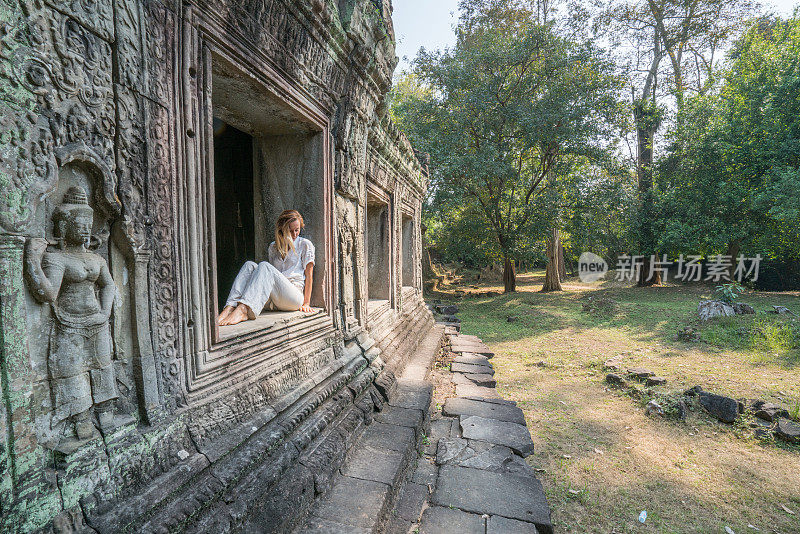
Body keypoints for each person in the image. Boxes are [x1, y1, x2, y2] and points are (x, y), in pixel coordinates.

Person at [218, 210, 315, 326]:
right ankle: (230, 307)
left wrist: (307, 303)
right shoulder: (273, 247)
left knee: (264, 266)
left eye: (297, 230)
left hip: (293, 297)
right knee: (249, 265)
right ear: (282, 230)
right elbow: (268, 279)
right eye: (290, 231)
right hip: (274, 298)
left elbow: (309, 275)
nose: (294, 234)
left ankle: (243, 310)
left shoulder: (304, 244)